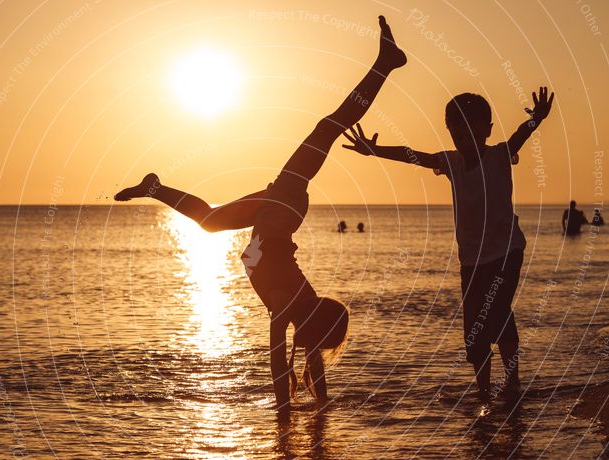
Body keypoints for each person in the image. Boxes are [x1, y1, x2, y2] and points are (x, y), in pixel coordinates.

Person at [114, 16, 407, 416]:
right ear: (314, 325)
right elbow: (275, 357)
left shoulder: (301, 303)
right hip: (281, 210)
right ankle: (385, 64)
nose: (311, 348)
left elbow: (297, 358)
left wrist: (320, 406)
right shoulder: (290, 304)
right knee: (328, 128)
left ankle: (154, 188)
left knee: (211, 220)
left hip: (274, 213)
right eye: (317, 341)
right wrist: (284, 412)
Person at [343, 87, 555, 403]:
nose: (464, 134)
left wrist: (536, 119)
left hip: (507, 251)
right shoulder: (450, 162)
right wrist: (375, 151)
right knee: (474, 328)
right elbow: (410, 154)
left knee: (497, 312)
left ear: (487, 130)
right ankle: (484, 390)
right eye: (457, 128)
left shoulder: (499, 155)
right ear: (450, 131)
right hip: (471, 260)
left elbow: (518, 138)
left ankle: (512, 383)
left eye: (472, 126)